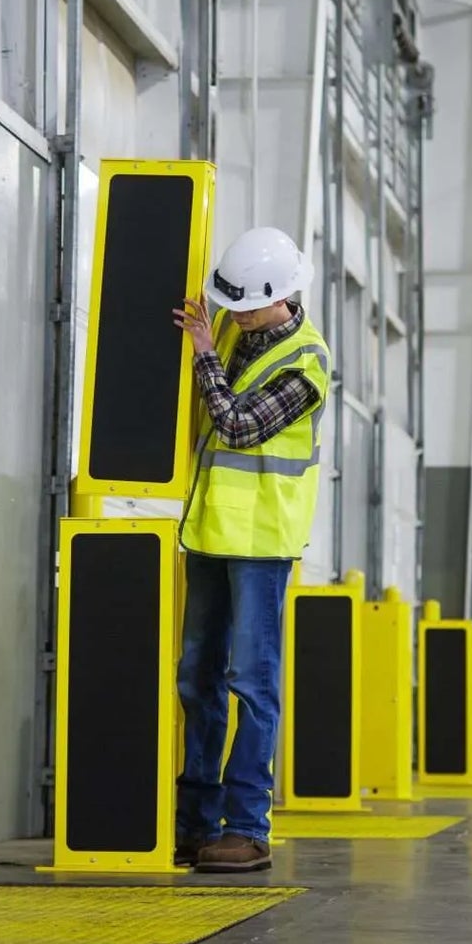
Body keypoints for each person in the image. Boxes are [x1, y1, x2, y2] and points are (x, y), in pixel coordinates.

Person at [168, 226, 331, 873]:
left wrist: (203, 349)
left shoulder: (307, 363)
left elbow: (235, 424)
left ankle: (246, 826)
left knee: (252, 685)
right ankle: (195, 822)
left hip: (261, 546)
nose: (231, 315)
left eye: (242, 306)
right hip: (210, 535)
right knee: (196, 680)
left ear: (278, 298)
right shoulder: (242, 332)